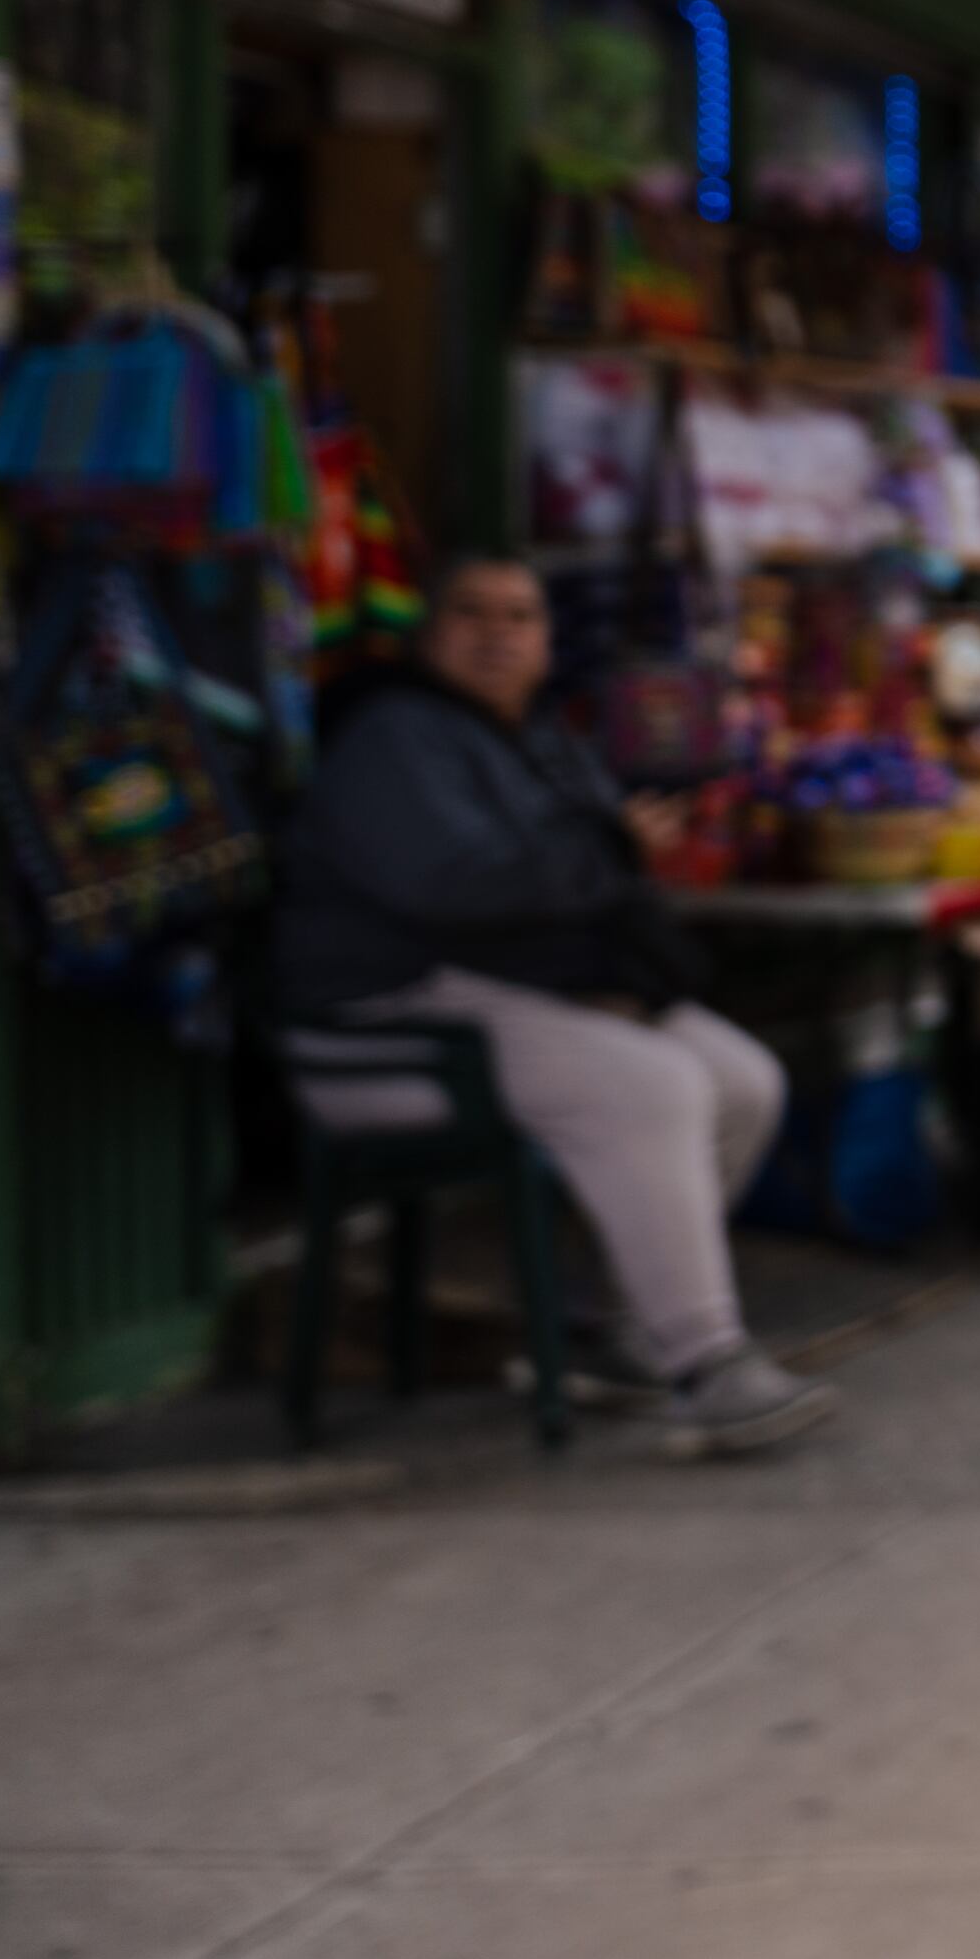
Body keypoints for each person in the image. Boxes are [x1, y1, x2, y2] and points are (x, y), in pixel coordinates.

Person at [271, 556, 836, 1458]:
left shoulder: (539, 735)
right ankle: (705, 1361)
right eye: (470, 611)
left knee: (743, 1078)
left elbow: (575, 883)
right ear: (429, 634)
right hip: (388, 1016)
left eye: (520, 616)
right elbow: (453, 888)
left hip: (508, 994)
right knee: (652, 1084)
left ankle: (617, 1331)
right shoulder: (394, 735)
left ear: (545, 641)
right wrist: (607, 847)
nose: (497, 633)